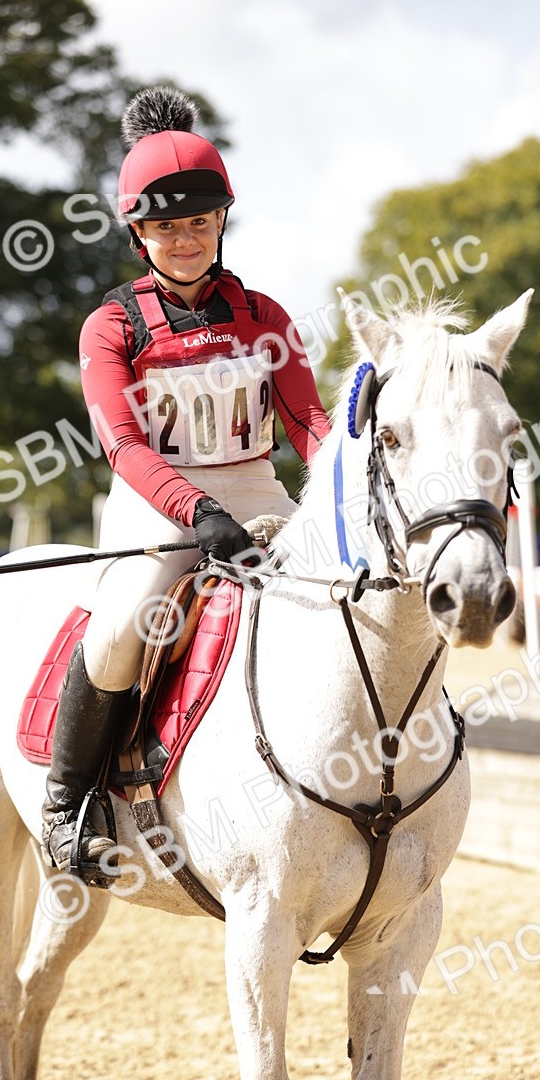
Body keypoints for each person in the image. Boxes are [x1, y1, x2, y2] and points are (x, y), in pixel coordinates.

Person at [41, 86, 331, 882]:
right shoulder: (112, 327)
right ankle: (69, 806)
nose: (186, 240)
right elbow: (124, 446)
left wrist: (345, 482)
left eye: (199, 223)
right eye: (167, 227)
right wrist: (194, 509)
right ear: (139, 233)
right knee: (122, 624)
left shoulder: (262, 315)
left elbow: (307, 424)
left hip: (261, 499)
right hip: (155, 508)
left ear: (221, 223)